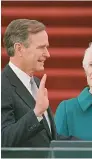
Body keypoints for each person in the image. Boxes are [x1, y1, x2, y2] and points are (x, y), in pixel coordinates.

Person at [2, 19, 55, 147]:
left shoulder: (35, 82)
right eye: (41, 47)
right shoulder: (2, 85)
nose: (47, 54)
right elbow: (3, 139)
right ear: (19, 49)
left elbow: (47, 137)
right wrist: (36, 113)